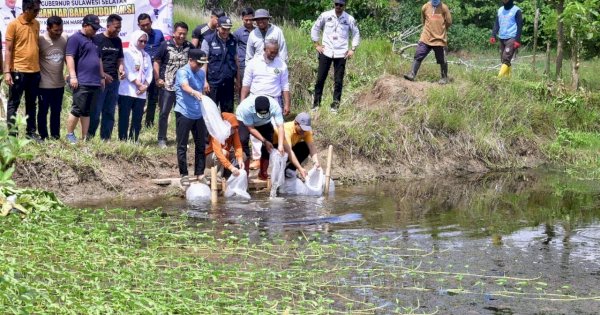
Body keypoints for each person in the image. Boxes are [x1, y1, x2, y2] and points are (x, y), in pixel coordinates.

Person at [311, 0, 360, 113]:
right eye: (336, 4)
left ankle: (335, 106)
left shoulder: (349, 19)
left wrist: (353, 49)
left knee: (338, 81)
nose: (338, 7)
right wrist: (316, 44)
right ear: (334, 4)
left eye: (341, 5)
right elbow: (315, 28)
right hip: (326, 51)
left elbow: (356, 33)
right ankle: (316, 104)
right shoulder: (325, 15)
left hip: (341, 53)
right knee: (320, 79)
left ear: (344, 6)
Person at [65, 14, 106, 144]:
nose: (95, 30)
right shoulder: (75, 39)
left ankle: (84, 137)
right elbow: (69, 57)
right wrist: (72, 76)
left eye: (97, 28)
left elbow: (99, 59)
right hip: (81, 80)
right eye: (93, 27)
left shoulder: (95, 40)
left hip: (94, 81)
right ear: (85, 25)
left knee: (87, 110)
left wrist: (102, 76)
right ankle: (70, 134)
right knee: (77, 108)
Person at [4, 0, 41, 138]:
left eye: (38, 10)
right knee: (14, 103)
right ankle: (12, 135)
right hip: (18, 71)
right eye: (35, 10)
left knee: (32, 104)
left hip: (35, 71)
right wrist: (7, 72)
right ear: (27, 9)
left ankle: (31, 133)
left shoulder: (36, 24)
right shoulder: (13, 24)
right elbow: (8, 49)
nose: (38, 13)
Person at [154, 21, 193, 149]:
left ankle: (181, 139)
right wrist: (158, 78)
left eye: (184, 34)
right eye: (179, 33)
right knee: (164, 113)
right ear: (174, 33)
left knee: (182, 114)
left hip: (183, 87)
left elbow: (195, 63)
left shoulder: (189, 46)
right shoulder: (165, 45)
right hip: (167, 86)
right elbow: (157, 61)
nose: (182, 36)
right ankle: (161, 139)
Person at [89, 14, 125, 140]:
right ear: (108, 25)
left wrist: (121, 69)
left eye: (120, 28)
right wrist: (103, 75)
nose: (118, 30)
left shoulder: (118, 41)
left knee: (109, 112)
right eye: (116, 27)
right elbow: (93, 60)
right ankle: (90, 136)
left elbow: (120, 58)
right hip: (99, 81)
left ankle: (106, 138)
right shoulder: (97, 39)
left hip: (114, 81)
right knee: (95, 111)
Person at [174, 48, 208, 181]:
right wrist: (195, 92)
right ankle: (184, 174)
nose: (200, 66)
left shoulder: (201, 73)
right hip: (184, 112)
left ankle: (200, 173)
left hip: (198, 114)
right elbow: (184, 86)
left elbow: (201, 91)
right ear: (190, 60)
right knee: (182, 144)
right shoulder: (183, 71)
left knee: (200, 144)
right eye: (198, 63)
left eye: (202, 64)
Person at [236, 95, 285, 181]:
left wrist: (280, 145)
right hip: (244, 120)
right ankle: (245, 173)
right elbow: (251, 128)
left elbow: (280, 126)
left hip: (265, 122)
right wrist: (264, 141)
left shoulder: (275, 107)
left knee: (270, 142)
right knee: (243, 140)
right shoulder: (246, 108)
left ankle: (263, 173)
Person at [403, 0, 452, 85]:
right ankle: (412, 74)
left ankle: (444, 78)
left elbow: (449, 22)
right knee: (418, 55)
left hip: (439, 39)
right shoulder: (425, 7)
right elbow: (423, 21)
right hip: (426, 38)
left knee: (442, 59)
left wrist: (441, 30)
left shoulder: (444, 8)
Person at [117, 30, 153, 142]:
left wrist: (145, 86)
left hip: (141, 93)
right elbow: (127, 70)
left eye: (145, 41)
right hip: (127, 91)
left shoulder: (146, 55)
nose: (143, 43)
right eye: (140, 41)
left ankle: (134, 140)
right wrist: (138, 84)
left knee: (137, 118)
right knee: (124, 117)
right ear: (134, 39)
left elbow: (149, 73)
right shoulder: (127, 52)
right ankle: (122, 140)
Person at [201, 15, 240, 113]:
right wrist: (204, 81)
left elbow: (236, 61)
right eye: (224, 29)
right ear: (218, 26)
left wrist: (238, 80)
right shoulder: (208, 40)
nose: (226, 32)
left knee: (228, 113)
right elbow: (204, 62)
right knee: (211, 112)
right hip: (213, 83)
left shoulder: (233, 40)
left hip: (228, 82)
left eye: (228, 29)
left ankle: (227, 129)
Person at [241, 39, 290, 115]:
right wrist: (242, 103)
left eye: (276, 52)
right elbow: (246, 85)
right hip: (255, 100)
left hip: (274, 101)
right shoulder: (253, 63)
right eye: (271, 52)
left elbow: (285, 86)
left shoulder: (282, 64)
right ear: (264, 50)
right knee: (255, 126)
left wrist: (287, 105)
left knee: (275, 126)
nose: (273, 55)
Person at [38, 16, 67, 140]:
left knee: (56, 112)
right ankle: (43, 136)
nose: (59, 33)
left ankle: (55, 136)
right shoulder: (40, 40)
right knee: (43, 111)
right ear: (48, 28)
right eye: (56, 30)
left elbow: (67, 58)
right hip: (44, 85)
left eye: (60, 29)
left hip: (59, 84)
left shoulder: (65, 38)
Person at [137, 13, 165, 128]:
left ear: (151, 23)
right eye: (142, 25)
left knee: (153, 99)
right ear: (139, 25)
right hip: (141, 73)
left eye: (147, 24)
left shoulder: (159, 34)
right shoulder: (137, 36)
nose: (145, 27)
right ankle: (136, 122)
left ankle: (149, 123)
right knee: (140, 99)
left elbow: (164, 50)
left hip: (156, 71)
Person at [273, 112, 320, 179]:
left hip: (289, 147)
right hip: (275, 148)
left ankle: (290, 169)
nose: (304, 131)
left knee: (305, 147)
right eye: (302, 128)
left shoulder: (306, 131)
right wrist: (300, 168)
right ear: (296, 123)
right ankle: (280, 171)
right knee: (283, 152)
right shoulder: (286, 129)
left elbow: (311, 147)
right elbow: (289, 151)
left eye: (306, 129)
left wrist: (316, 162)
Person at [205, 112, 245, 178]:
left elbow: (238, 146)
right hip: (211, 158)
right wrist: (231, 167)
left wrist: (240, 158)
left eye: (235, 127)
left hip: (225, 156)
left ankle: (228, 175)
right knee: (224, 152)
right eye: (232, 127)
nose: (233, 130)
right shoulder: (216, 133)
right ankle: (217, 176)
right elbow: (219, 153)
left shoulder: (234, 131)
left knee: (243, 155)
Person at [490, 0, 523, 78]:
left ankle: (498, 78)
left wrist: (517, 40)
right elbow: (497, 24)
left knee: (506, 58)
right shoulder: (500, 10)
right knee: (503, 60)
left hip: (512, 37)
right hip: (501, 37)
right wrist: (493, 35)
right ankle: (508, 79)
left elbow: (520, 26)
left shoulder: (516, 10)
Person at [232, 7, 254, 95]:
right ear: (242, 18)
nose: (248, 22)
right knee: (243, 89)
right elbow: (234, 51)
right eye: (246, 20)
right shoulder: (237, 33)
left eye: (250, 19)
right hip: (242, 66)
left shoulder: (258, 31)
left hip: (256, 64)